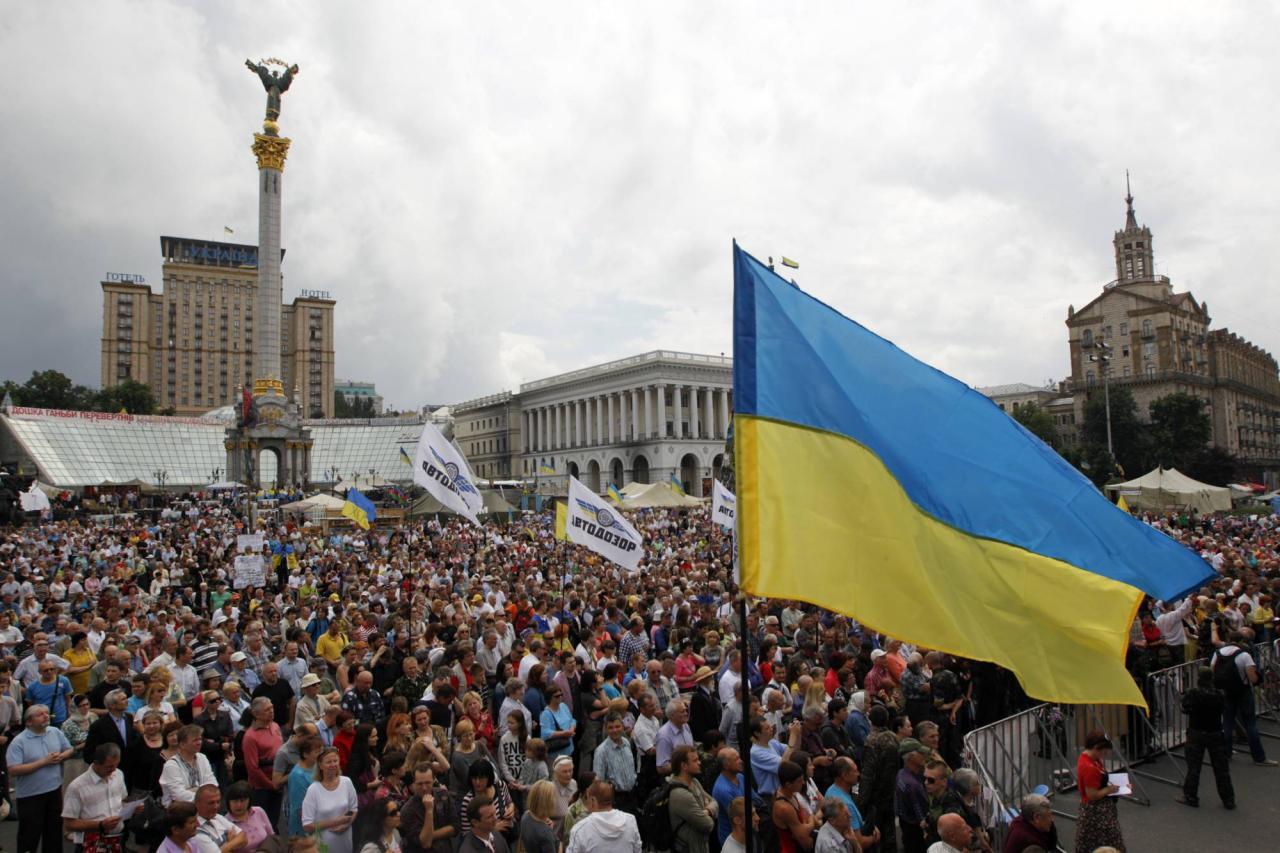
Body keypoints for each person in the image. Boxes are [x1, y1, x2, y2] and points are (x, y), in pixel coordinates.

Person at [7, 704, 75, 853]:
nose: (45, 716)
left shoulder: (55, 731)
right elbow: (13, 770)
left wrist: (62, 756)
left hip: (54, 790)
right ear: (29, 722)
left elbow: (69, 749)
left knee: (54, 832)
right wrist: (44, 762)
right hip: (30, 796)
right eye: (40, 714)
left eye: (46, 713)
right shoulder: (19, 741)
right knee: (29, 835)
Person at [1211, 629, 1277, 766]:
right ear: (1241, 641)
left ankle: (1226, 753)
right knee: (1250, 724)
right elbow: (1253, 678)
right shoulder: (1244, 655)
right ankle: (1259, 757)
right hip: (1243, 691)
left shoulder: (1217, 653)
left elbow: (1212, 671)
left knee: (1227, 723)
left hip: (1225, 691)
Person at [1177, 665, 1235, 809]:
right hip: (1215, 732)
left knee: (1194, 767)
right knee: (1221, 768)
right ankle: (1228, 799)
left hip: (1197, 732)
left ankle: (1191, 796)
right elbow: (1223, 708)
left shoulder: (1193, 693)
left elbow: (1185, 708)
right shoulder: (1219, 694)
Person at [61, 742, 127, 853]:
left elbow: (123, 800)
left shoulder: (118, 775)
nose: (114, 770)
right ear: (96, 763)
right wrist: (100, 825)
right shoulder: (77, 787)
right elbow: (69, 824)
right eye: (109, 766)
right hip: (90, 844)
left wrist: (132, 808)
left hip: (116, 841)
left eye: (117, 765)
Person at [1073, 731, 1125, 853]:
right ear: (1096, 748)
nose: (1106, 753)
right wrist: (1109, 789)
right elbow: (1092, 795)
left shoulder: (1091, 758)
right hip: (1097, 813)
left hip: (1098, 811)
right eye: (1104, 750)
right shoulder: (1089, 767)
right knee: (1111, 843)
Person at [302, 747, 360, 853]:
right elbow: (307, 826)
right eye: (328, 762)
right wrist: (334, 822)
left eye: (335, 761)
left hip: (345, 843)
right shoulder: (313, 790)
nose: (333, 765)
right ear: (320, 765)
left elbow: (354, 809)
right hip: (323, 847)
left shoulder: (347, 782)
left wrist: (347, 824)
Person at [565, 779, 642, 853]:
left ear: (593, 800)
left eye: (587, 798)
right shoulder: (630, 821)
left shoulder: (580, 829)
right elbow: (638, 850)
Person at [668, 744, 718, 853]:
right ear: (684, 766)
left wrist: (706, 810)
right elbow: (708, 825)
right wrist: (709, 812)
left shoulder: (694, 782)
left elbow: (714, 802)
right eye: (695, 761)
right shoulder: (680, 794)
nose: (700, 763)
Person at [399, 763, 457, 853]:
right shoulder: (407, 810)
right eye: (420, 784)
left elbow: (455, 827)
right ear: (414, 783)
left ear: (433, 780)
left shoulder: (444, 795)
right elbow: (425, 843)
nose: (424, 788)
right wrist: (429, 811)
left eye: (427, 782)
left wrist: (431, 835)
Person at [160, 724, 218, 806]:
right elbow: (178, 795)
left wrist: (193, 790)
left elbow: (212, 783)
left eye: (200, 739)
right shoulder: (171, 765)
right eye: (195, 740)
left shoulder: (202, 757)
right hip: (180, 811)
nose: (199, 742)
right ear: (182, 744)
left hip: (203, 806)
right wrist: (203, 793)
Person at [592, 712, 637, 812]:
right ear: (606, 729)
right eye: (611, 727)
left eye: (617, 726)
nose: (614, 730)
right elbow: (598, 781)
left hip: (633, 796)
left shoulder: (626, 743)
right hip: (616, 801)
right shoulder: (601, 751)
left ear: (622, 726)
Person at [895, 738, 932, 853]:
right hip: (916, 831)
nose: (924, 755)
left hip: (906, 824)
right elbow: (921, 813)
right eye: (921, 753)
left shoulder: (901, 773)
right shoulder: (913, 785)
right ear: (911, 757)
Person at [191, 783, 247, 853]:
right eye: (211, 803)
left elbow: (243, 838)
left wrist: (227, 846)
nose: (216, 806)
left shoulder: (218, 817)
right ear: (197, 803)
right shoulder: (194, 829)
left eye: (218, 802)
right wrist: (231, 842)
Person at [226, 781, 276, 853]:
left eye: (243, 800)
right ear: (228, 802)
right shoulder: (224, 822)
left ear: (249, 800)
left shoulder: (259, 811)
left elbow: (272, 837)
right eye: (235, 801)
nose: (239, 805)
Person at [518, 779, 559, 853]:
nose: (555, 800)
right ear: (547, 802)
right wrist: (561, 845)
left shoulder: (526, 815)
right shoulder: (546, 834)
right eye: (554, 797)